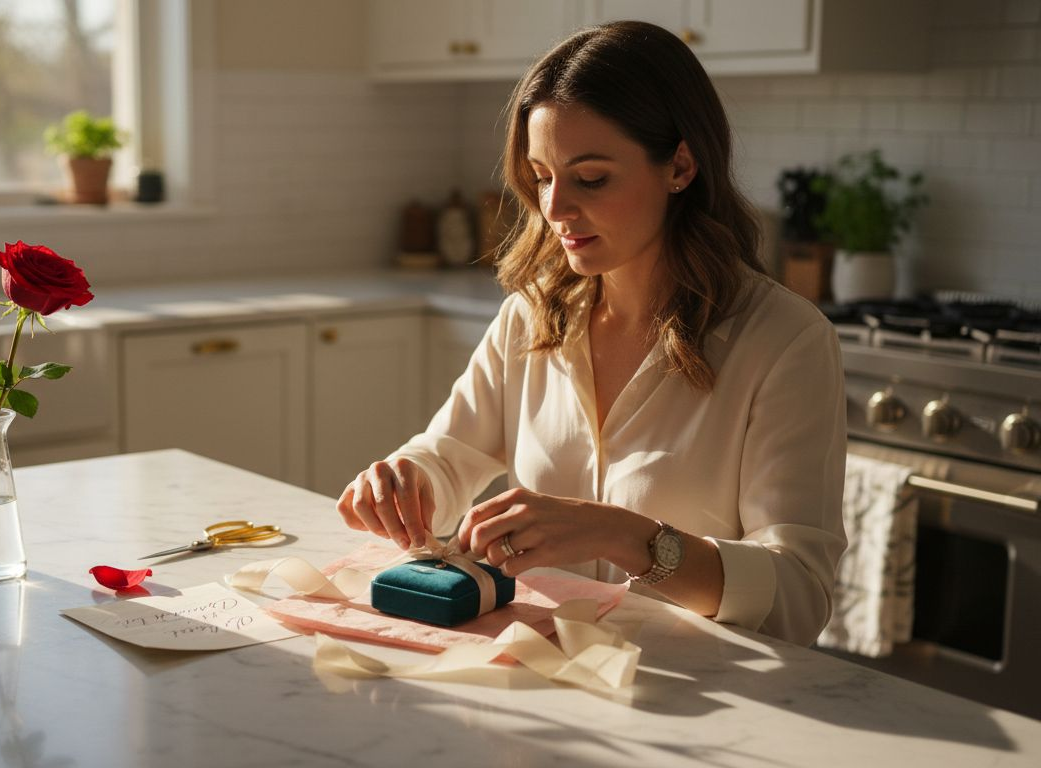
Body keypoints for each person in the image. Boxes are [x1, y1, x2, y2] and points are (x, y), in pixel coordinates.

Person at [334, 21, 847, 647]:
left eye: (591, 178)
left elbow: (798, 596)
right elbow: (448, 456)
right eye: (542, 175)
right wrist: (404, 480)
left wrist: (628, 537)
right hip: (544, 683)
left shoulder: (784, 341)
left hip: (696, 707)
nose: (553, 209)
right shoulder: (533, 315)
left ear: (680, 165)